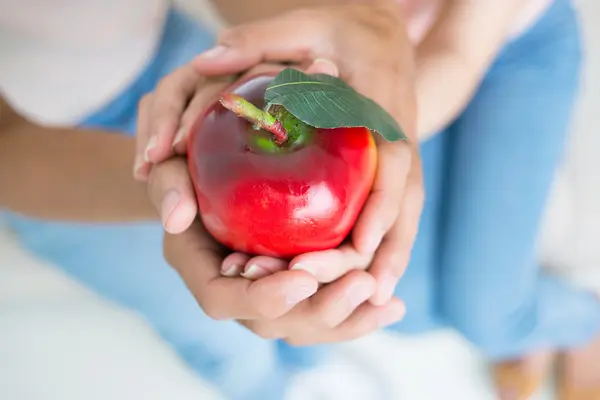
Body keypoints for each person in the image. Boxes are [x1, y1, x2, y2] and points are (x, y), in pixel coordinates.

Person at [0, 1, 598, 399]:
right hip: (369, 68)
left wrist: (366, 53)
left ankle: (553, 324)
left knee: (477, 312)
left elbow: (421, 83)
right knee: (347, 318)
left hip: (490, 40)